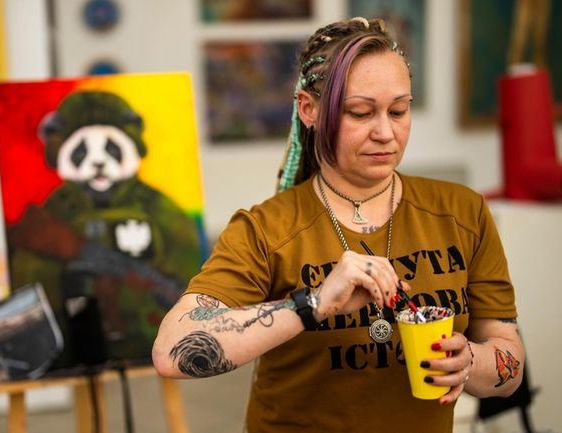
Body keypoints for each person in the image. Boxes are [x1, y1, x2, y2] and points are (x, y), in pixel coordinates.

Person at [152, 17, 524, 432]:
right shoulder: (265, 230)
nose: (386, 132)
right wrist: (314, 303)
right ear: (309, 110)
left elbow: (509, 361)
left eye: (399, 110)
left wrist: (469, 363)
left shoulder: (462, 212)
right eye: (360, 112)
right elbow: (172, 352)